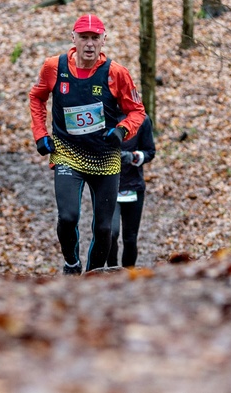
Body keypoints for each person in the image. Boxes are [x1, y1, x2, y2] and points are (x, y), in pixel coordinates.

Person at [29, 14, 146, 275]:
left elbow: (137, 111)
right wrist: (40, 133)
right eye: (84, 38)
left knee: (105, 229)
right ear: (74, 39)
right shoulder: (53, 67)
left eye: (95, 38)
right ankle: (72, 262)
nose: (90, 44)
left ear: (104, 40)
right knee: (68, 217)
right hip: (67, 153)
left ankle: (92, 275)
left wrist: (121, 131)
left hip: (105, 157)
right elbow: (37, 97)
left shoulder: (116, 73)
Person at [107, 115, 155, 268]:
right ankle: (112, 270)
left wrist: (133, 157)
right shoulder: (105, 115)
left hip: (134, 186)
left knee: (130, 238)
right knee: (111, 233)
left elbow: (150, 151)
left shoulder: (142, 120)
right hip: (109, 187)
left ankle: (129, 274)